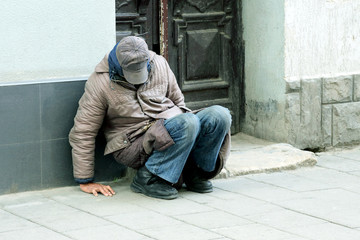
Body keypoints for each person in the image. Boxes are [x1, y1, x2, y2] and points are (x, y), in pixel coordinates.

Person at [69, 36, 231, 200]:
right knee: (187, 122)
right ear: (118, 66)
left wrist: (187, 137)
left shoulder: (159, 63)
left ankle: (194, 173)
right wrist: (85, 180)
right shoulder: (100, 82)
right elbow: (83, 130)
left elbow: (179, 103)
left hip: (169, 124)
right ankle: (148, 178)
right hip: (132, 141)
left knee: (219, 115)